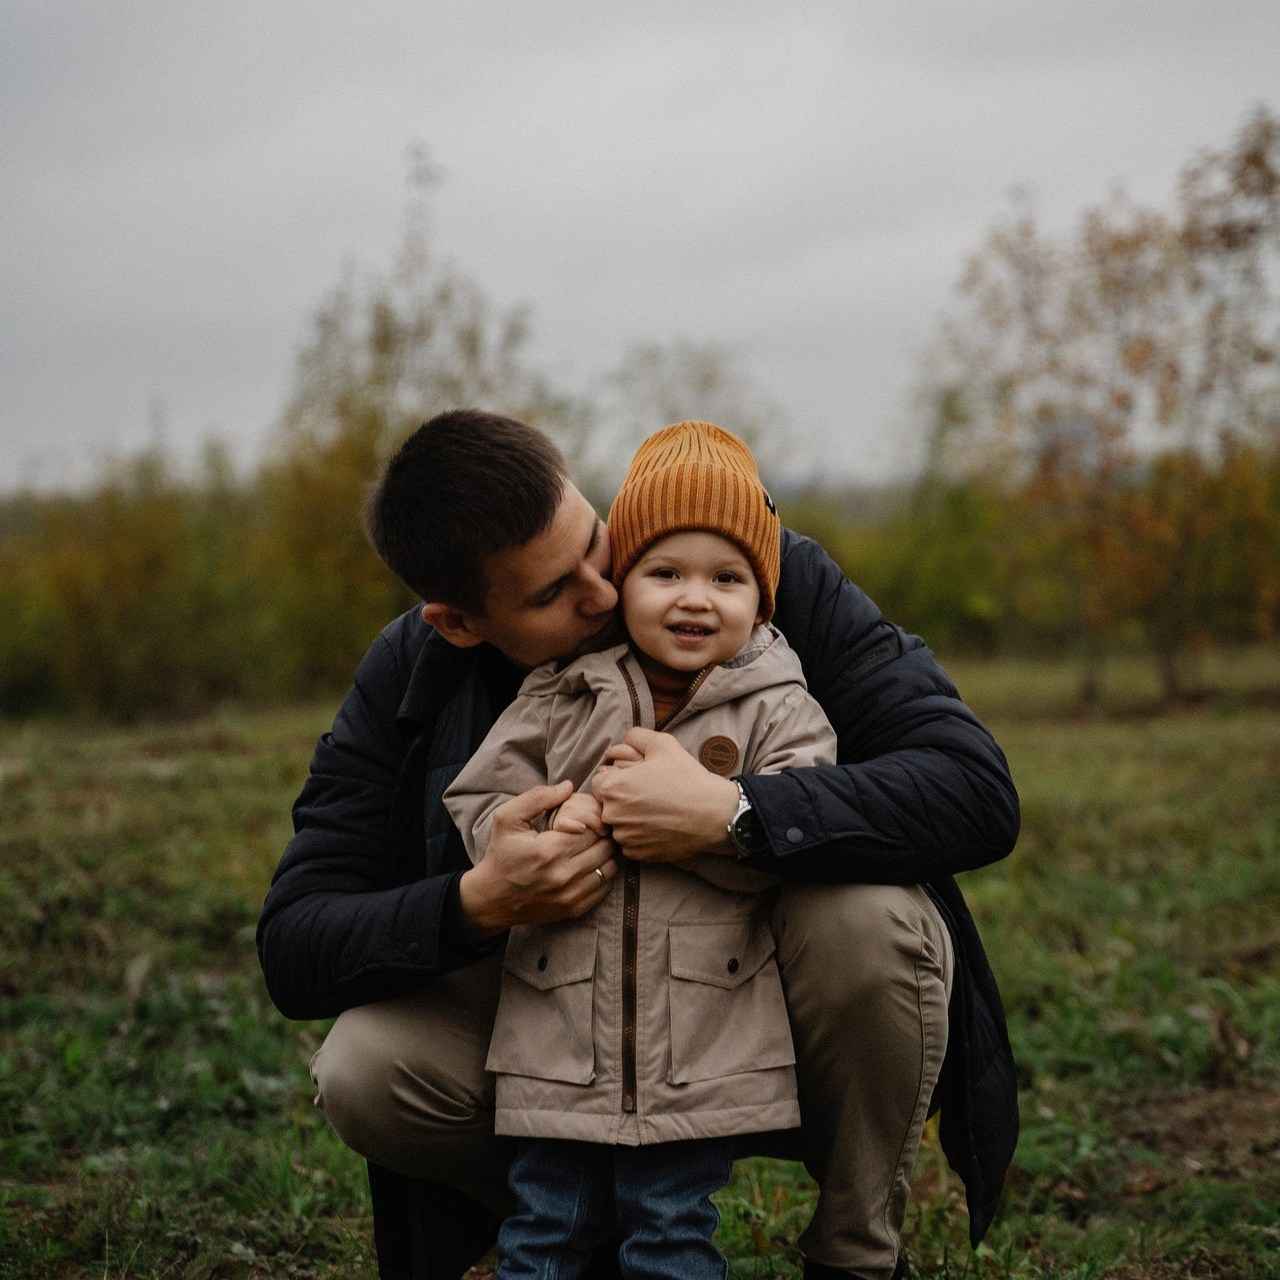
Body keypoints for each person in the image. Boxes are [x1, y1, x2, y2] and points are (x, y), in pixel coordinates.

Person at [256, 408, 1021, 1280]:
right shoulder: (412, 673)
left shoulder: (750, 576)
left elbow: (976, 790)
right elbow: (295, 943)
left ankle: (856, 1253)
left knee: (875, 919)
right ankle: (576, 1229)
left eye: (594, 540)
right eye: (551, 594)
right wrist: (480, 901)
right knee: (363, 1068)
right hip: (556, 1031)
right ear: (460, 624)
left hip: (756, 1013)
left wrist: (733, 812)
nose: (604, 590)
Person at [443, 421, 839, 1280]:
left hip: (698, 1041)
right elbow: (481, 797)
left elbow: (802, 833)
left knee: (669, 1235)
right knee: (542, 1231)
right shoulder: (564, 691)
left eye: (726, 579)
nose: (695, 599)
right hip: (560, 1032)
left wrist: (703, 826)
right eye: (665, 573)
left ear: (762, 600)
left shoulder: (779, 706)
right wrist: (545, 833)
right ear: (620, 584)